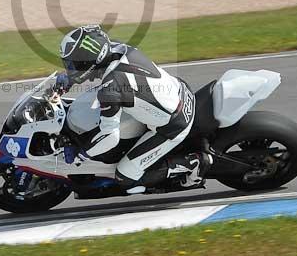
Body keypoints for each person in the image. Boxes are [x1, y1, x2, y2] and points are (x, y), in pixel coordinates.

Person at [55, 25, 212, 193]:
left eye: (74, 64)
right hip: (178, 89)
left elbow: (110, 137)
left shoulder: (111, 87)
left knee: (125, 177)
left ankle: (192, 163)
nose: (71, 68)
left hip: (172, 125)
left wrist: (82, 155)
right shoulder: (116, 47)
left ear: (89, 60)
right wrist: (70, 80)